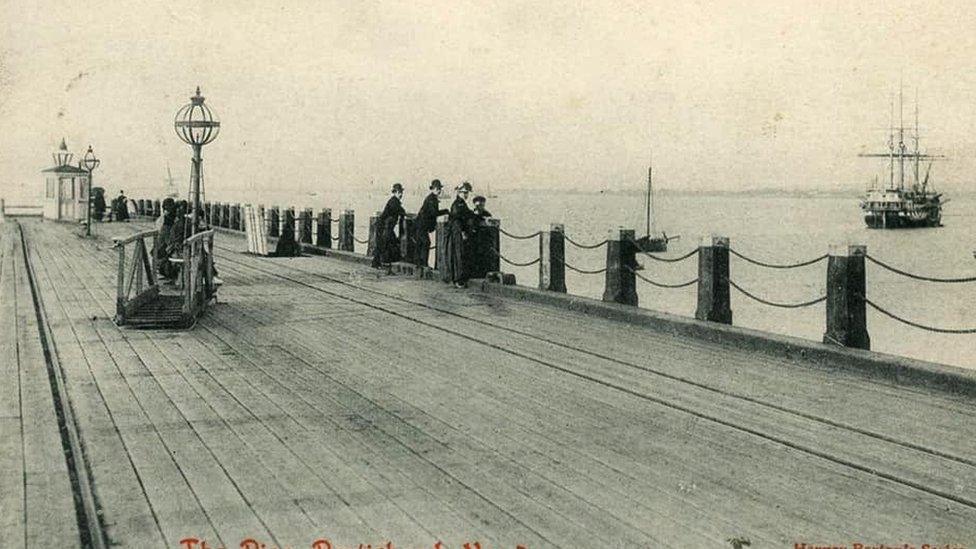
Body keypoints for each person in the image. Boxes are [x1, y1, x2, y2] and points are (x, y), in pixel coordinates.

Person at [445, 181, 476, 287]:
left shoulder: (460, 203)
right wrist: (463, 231)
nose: (466, 195)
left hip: (455, 231)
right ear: (459, 193)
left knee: (456, 254)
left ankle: (456, 279)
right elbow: (460, 217)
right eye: (464, 193)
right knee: (458, 254)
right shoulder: (459, 204)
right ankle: (458, 280)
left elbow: (467, 213)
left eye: (467, 193)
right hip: (457, 231)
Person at [413, 179, 448, 267]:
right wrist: (445, 211)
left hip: (420, 225)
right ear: (433, 189)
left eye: (439, 188)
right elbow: (434, 213)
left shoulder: (431, 198)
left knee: (421, 243)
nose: (438, 190)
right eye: (437, 188)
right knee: (425, 242)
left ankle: (419, 263)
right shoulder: (432, 199)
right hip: (422, 225)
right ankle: (423, 264)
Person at [371, 183, 406, 269]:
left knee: (384, 244)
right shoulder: (394, 202)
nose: (401, 194)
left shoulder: (394, 201)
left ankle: (380, 263)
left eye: (401, 192)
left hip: (386, 226)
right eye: (399, 192)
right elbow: (400, 211)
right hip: (384, 226)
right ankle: (381, 263)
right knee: (384, 244)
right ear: (395, 192)